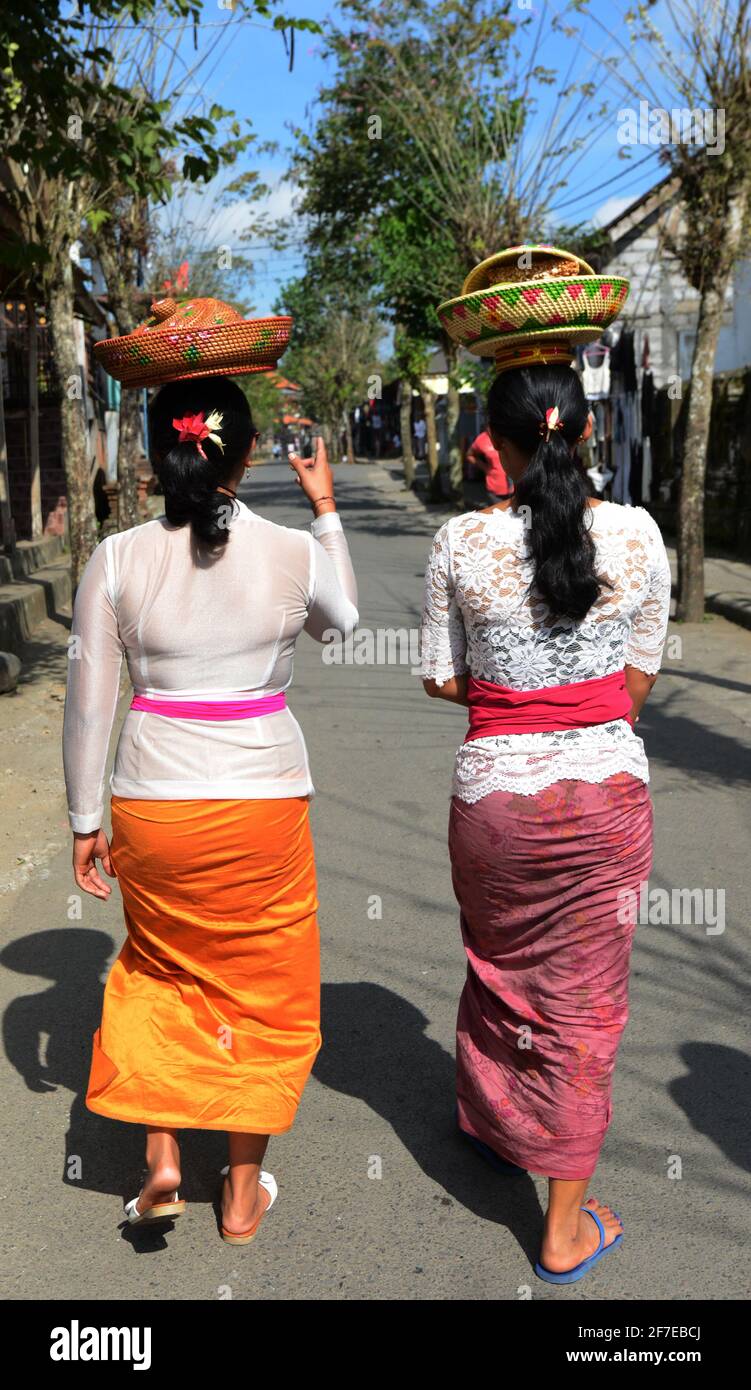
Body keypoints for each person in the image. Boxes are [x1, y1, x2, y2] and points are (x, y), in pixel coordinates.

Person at [63, 373, 358, 1243]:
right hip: (261, 802)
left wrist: (85, 821)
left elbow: (89, 701)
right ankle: (238, 1192)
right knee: (264, 988)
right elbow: (341, 622)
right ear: (252, 450)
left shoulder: (116, 557)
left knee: (161, 967)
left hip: (154, 802)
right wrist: (326, 506)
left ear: (156, 455)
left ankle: (161, 1156)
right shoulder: (291, 550)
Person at [420, 363, 671, 1283]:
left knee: (499, 970)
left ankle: (493, 1127)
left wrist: (517, 701)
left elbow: (444, 676)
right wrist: (574, 707)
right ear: (587, 429)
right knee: (582, 1007)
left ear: (496, 440)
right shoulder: (639, 535)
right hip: (603, 796)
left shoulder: (458, 542)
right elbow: (637, 680)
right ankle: (561, 1229)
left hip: (492, 800)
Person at [466, 427, 512, 502]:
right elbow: (469, 455)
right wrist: (484, 467)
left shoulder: (508, 434)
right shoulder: (481, 439)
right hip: (495, 488)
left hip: (514, 488)